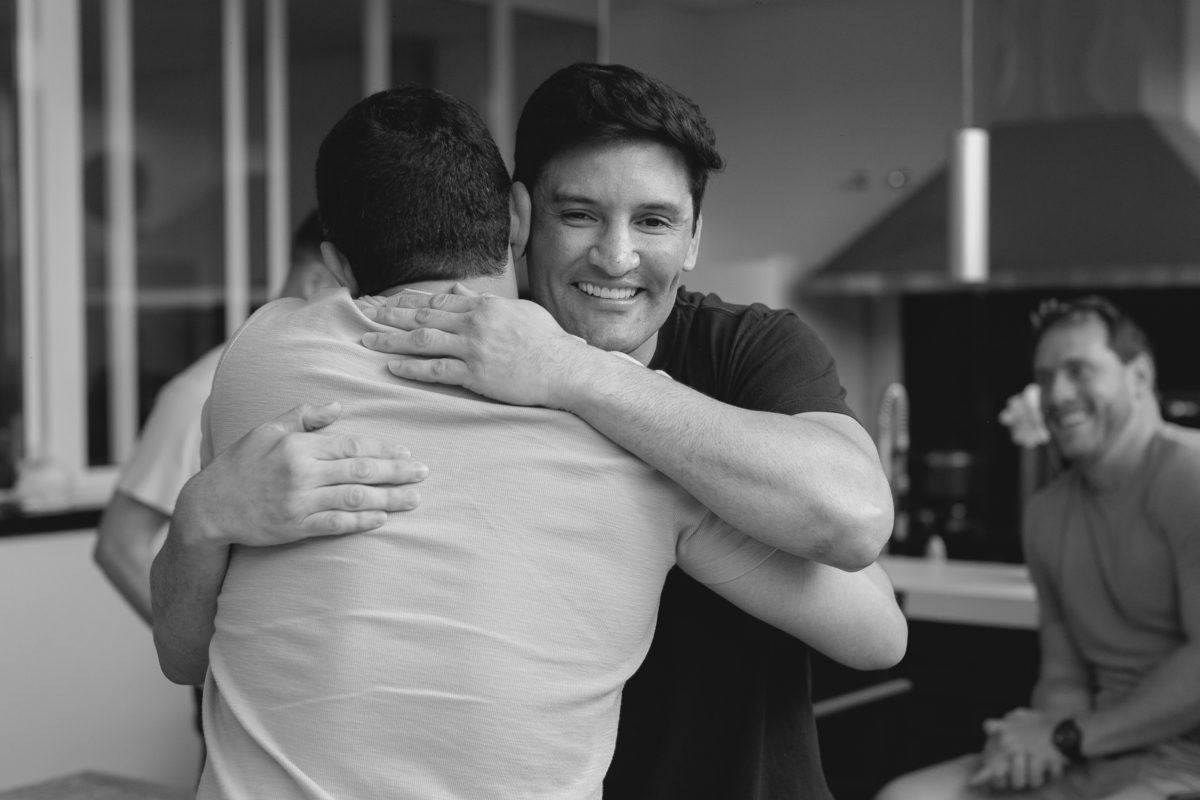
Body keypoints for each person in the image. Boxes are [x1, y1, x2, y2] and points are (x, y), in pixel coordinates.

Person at [154, 64, 895, 799]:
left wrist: (572, 372)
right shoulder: (628, 470)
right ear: (520, 217)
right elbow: (879, 630)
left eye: (654, 221)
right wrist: (200, 518)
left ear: (694, 237)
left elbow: (858, 539)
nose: (616, 257)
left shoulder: (262, 353)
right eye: (578, 215)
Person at [877, 296, 1200, 800]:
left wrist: (1065, 736)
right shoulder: (1047, 513)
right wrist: (1035, 749)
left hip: (1184, 766)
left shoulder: (1189, 476)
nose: (1057, 394)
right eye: (1045, 378)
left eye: (1079, 370)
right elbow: (1064, 675)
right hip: (1089, 751)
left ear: (1139, 377)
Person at [93, 209, 337, 740]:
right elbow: (118, 544)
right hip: (238, 698)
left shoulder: (326, 385)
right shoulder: (201, 390)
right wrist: (211, 663)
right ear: (317, 278)